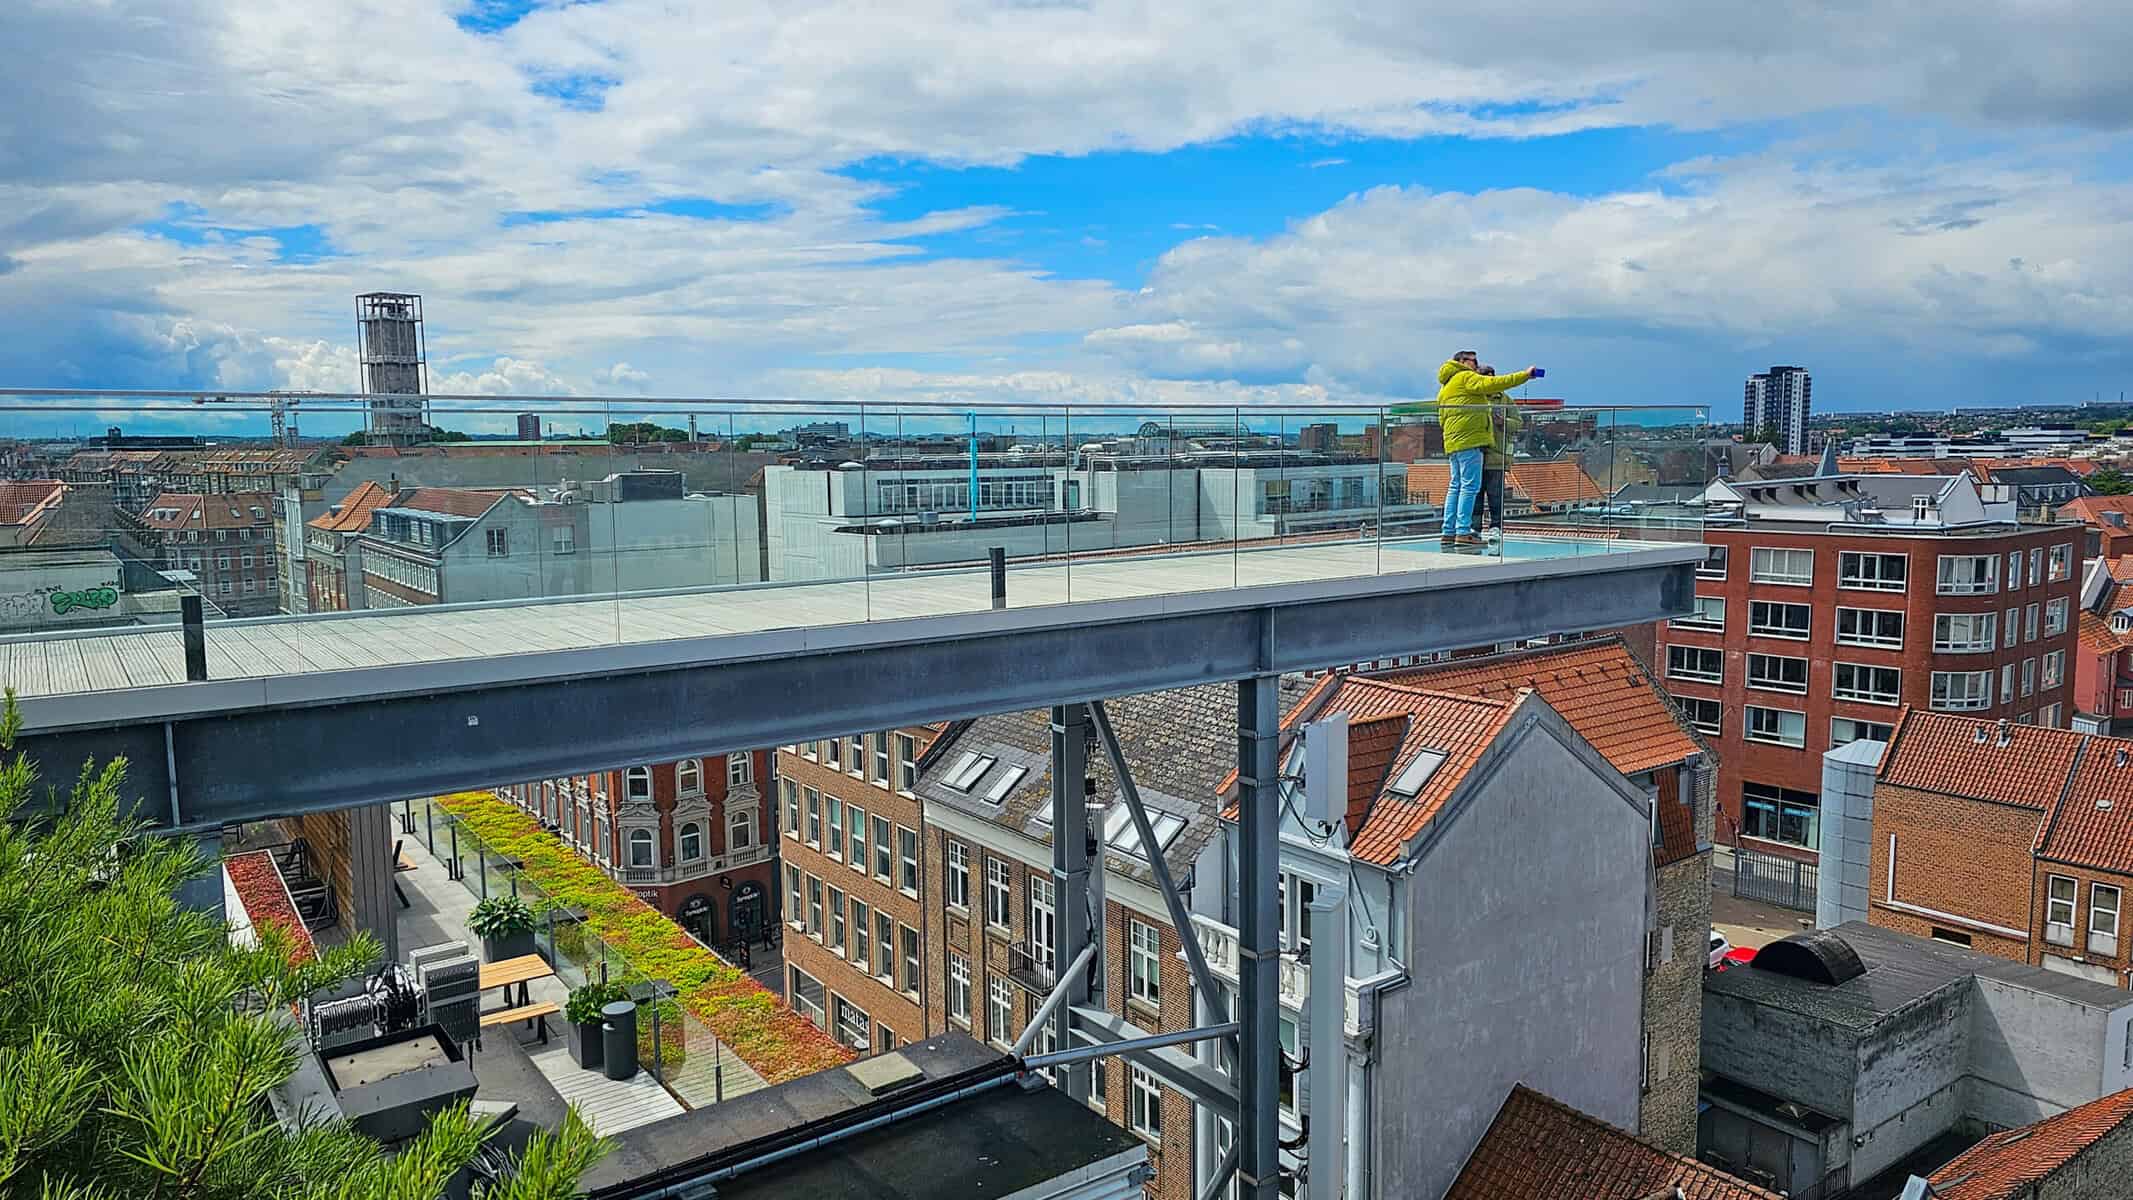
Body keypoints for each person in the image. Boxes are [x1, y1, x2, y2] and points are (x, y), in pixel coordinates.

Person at [1436, 351, 1541, 547]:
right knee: (1469, 487)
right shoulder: (1465, 377)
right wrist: (1525, 375)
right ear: (1460, 362)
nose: (1476, 365)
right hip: (1471, 440)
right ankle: (1463, 531)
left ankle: (1448, 531)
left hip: (1453, 442)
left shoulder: (1445, 386)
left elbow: (1441, 417)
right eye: (1472, 361)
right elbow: (1495, 384)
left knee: (1455, 486)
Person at [1468, 365, 1519, 539]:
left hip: (1497, 454)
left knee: (1496, 494)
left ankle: (1496, 526)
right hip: (1477, 453)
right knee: (1476, 494)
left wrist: (1503, 422)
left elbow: (1518, 423)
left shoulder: (1505, 399)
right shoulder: (1474, 398)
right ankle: (1475, 527)